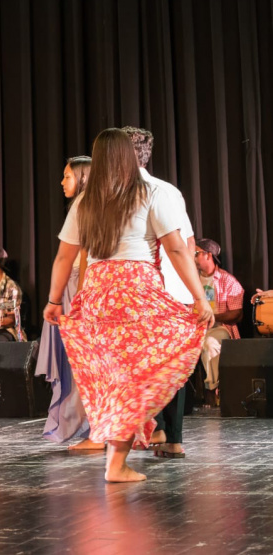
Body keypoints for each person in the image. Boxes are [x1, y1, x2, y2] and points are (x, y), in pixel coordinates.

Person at [44, 128, 213, 483]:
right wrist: (199, 297)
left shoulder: (85, 202)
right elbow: (178, 248)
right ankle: (118, 461)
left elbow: (64, 256)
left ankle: (119, 456)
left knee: (115, 378)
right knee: (143, 372)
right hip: (135, 290)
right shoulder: (149, 192)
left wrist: (53, 299)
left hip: (98, 293)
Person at [122, 126, 197, 458]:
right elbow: (189, 243)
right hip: (173, 289)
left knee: (144, 364)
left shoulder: (129, 192)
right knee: (169, 365)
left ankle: (164, 431)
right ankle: (169, 435)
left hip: (148, 291)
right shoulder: (169, 190)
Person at [35, 156, 103, 450]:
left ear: (84, 177)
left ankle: (96, 431)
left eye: (67, 177)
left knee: (84, 360)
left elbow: (83, 254)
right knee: (84, 361)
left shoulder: (85, 203)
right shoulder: (94, 202)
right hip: (78, 286)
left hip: (80, 287)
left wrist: (81, 296)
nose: (62, 182)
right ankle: (95, 428)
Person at [194, 237, 244, 406]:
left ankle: (212, 391)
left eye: (196, 253)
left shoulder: (227, 280)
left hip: (219, 327)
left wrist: (213, 317)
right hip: (192, 328)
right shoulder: (190, 279)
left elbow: (237, 314)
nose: (193, 257)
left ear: (208, 255)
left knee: (209, 344)